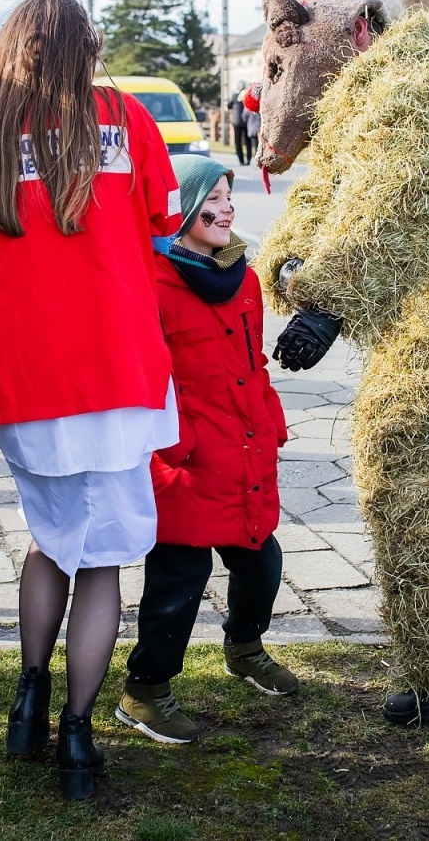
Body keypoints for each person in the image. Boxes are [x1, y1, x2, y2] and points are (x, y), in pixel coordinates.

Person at [0, 0, 180, 801]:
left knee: (50, 539)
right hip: (120, 368)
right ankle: (77, 735)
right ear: (88, 47)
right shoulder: (126, 120)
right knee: (101, 562)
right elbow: (162, 222)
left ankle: (27, 700)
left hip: (27, 373)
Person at [116, 155, 295, 745]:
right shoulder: (151, 281)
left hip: (243, 450)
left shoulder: (244, 278)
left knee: (261, 559)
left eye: (228, 196)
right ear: (182, 210)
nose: (226, 208)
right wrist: (177, 445)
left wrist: (270, 419)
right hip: (186, 463)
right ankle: (145, 692)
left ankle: (245, 648)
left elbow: (252, 360)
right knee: (178, 580)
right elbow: (146, 376)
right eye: (211, 199)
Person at [228, 90, 251, 165]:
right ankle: (248, 158)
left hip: (237, 122)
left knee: (238, 141)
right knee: (248, 141)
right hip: (246, 121)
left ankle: (241, 160)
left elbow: (229, 105)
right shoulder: (247, 95)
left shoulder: (234, 96)